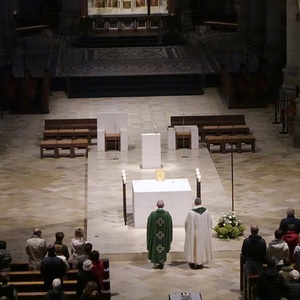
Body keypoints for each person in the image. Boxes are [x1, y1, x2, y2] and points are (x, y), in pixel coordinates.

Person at [184, 198, 213, 269]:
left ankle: (193, 262)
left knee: (194, 246)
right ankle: (200, 263)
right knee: (201, 247)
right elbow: (210, 222)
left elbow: (187, 223)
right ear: (201, 203)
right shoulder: (206, 211)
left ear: (194, 203)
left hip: (194, 233)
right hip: (204, 233)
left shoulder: (191, 212)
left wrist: (188, 231)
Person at [146, 200, 173, 269]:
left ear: (156, 205)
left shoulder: (153, 215)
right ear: (163, 205)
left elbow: (149, 227)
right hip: (163, 237)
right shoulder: (167, 215)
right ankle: (161, 262)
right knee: (162, 247)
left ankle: (155, 262)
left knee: (155, 246)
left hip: (155, 237)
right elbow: (170, 227)